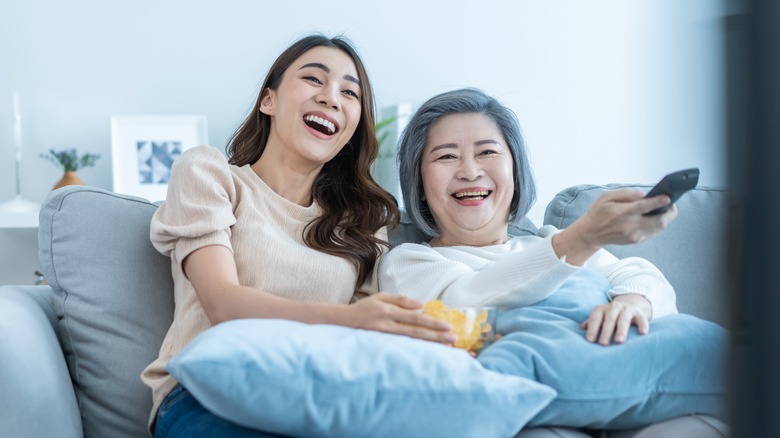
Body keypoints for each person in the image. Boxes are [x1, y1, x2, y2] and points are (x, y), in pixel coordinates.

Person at [141, 34, 455, 437]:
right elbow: (223, 304)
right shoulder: (210, 174)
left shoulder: (361, 219)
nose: (330, 97)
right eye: (313, 79)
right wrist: (351, 318)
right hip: (208, 393)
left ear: (353, 126)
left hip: (316, 398)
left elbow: (364, 346)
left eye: (349, 92)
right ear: (267, 100)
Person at [378, 88, 729, 437]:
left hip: (634, 398)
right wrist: (582, 237)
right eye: (446, 157)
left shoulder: (544, 239)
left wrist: (633, 300)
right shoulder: (409, 260)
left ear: (514, 170)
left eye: (487, 152)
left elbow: (640, 276)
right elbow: (465, 300)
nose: (470, 171)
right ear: (420, 183)